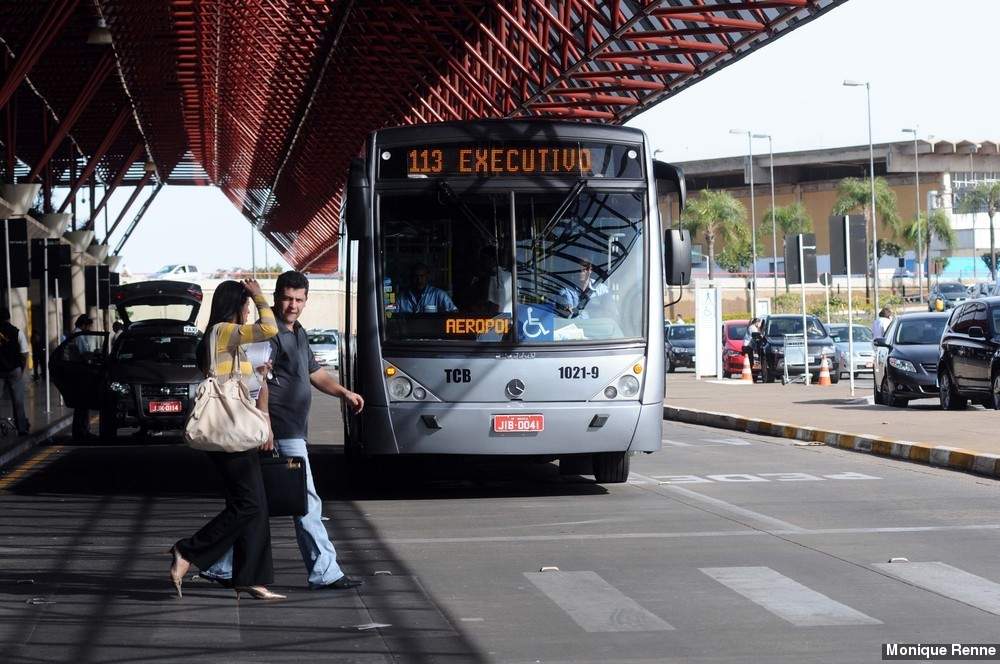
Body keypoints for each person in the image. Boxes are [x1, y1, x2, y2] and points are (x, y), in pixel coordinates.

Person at [201, 271, 365, 591]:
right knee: (305, 502)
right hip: (280, 431)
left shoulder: (299, 332)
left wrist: (343, 393)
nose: (293, 305)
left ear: (306, 300)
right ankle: (325, 571)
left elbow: (314, 373)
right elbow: (257, 382)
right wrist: (267, 427)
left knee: (255, 504)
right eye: (288, 299)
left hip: (290, 430)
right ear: (276, 297)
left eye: (299, 300)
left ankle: (220, 566)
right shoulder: (268, 334)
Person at [168, 278, 284, 601]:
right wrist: (262, 297)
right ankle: (187, 551)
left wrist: (258, 371)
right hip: (228, 432)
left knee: (254, 505)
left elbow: (232, 379)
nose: (249, 311)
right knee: (247, 504)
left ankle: (250, 578)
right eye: (246, 306)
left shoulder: (222, 338)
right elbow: (271, 329)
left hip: (235, 430)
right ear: (235, 306)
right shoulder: (224, 331)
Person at [0, 308, 30, 434]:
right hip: (15, 370)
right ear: (9, 317)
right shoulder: (17, 332)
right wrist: (21, 368)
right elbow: (24, 353)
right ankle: (21, 428)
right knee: (18, 401)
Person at [71, 315, 95, 440]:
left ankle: (80, 430)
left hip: (76, 372)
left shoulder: (75, 333)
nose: (91, 328)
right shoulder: (79, 336)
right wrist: (94, 355)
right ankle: (82, 431)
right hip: (81, 372)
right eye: (90, 326)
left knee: (81, 404)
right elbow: (84, 354)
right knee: (83, 404)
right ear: (84, 325)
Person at [743, 317, 763, 382]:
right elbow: (757, 336)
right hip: (748, 346)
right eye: (759, 323)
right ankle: (751, 376)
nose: (759, 324)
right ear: (757, 322)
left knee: (751, 361)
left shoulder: (752, 327)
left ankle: (751, 375)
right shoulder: (753, 327)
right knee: (751, 361)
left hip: (748, 346)